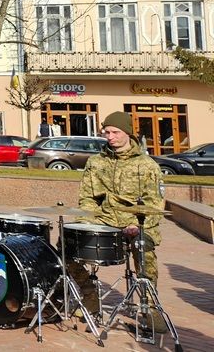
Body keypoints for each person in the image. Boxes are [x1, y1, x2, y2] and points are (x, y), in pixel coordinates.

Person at [67, 112, 165, 329]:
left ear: (128, 133)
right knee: (66, 244)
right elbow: (87, 198)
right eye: (107, 132)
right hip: (105, 219)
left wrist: (137, 224)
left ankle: (150, 307)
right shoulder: (96, 162)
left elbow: (155, 204)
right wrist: (85, 222)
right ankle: (89, 295)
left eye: (115, 132)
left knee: (143, 248)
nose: (110, 136)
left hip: (137, 223)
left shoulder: (147, 165)